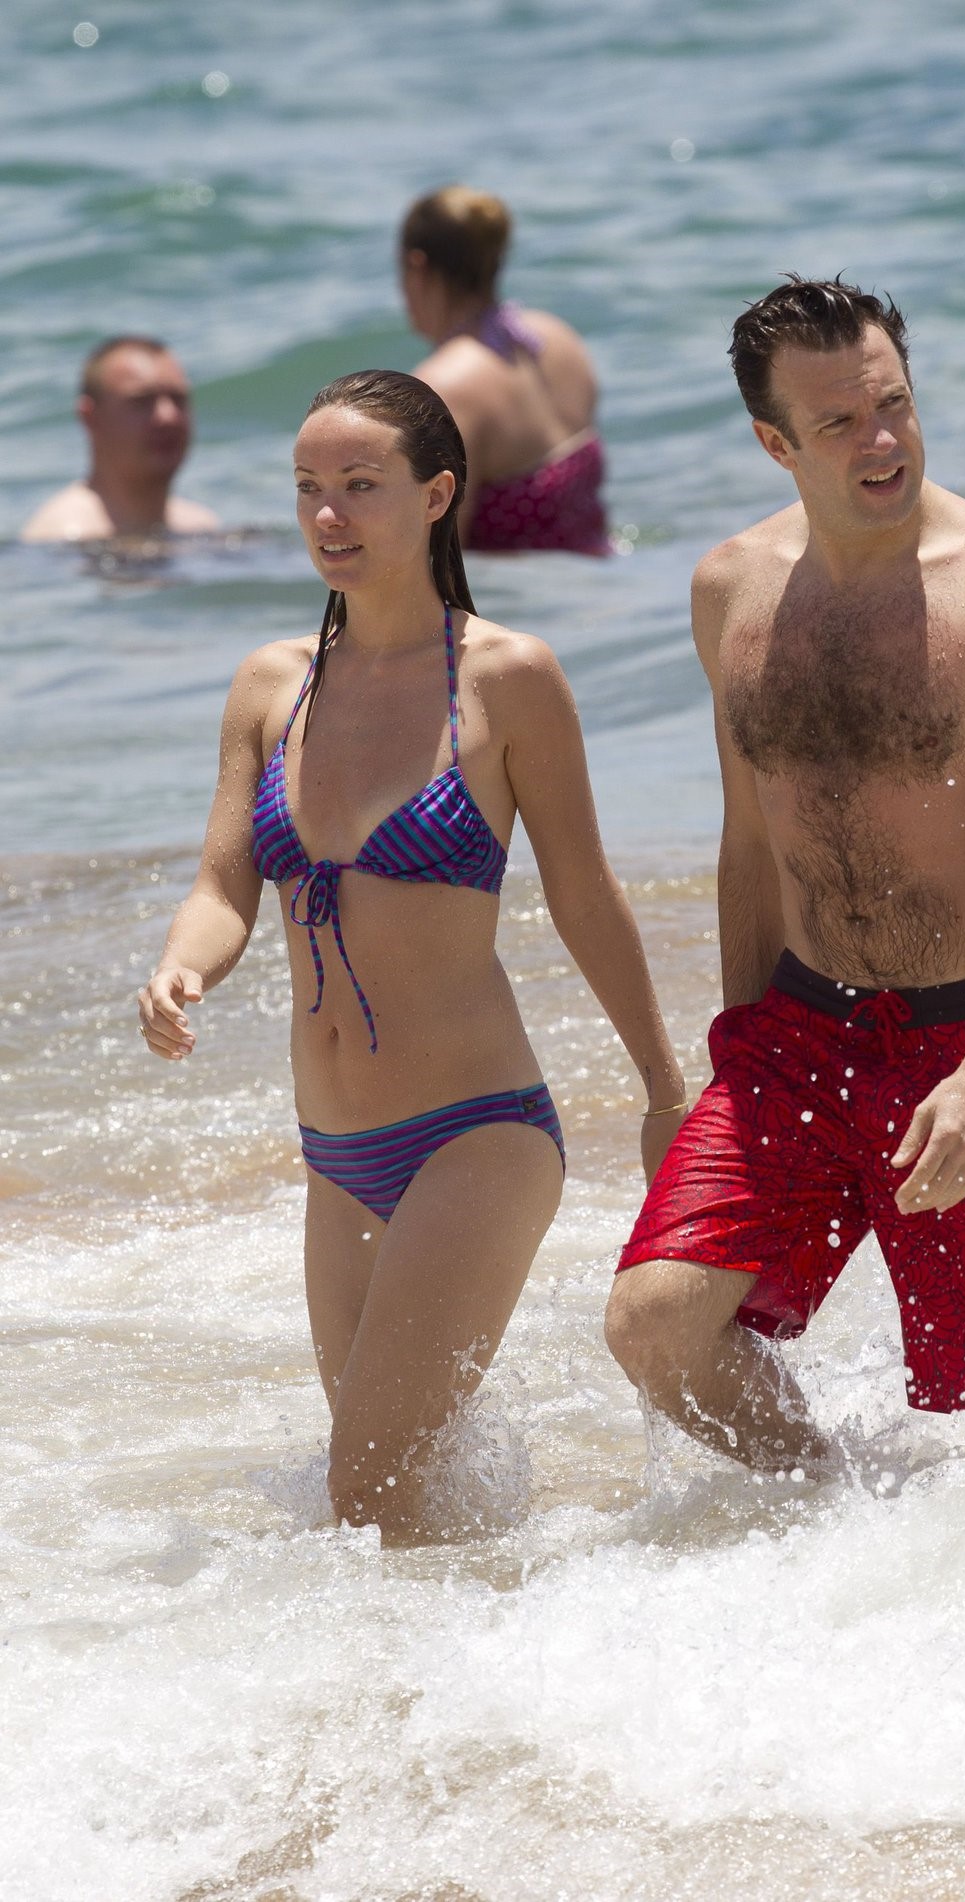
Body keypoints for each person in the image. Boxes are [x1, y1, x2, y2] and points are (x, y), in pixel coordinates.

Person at [139, 369, 684, 1543]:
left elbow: (586, 898)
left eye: (360, 486)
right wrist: (185, 966)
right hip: (337, 1155)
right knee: (400, 1515)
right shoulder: (270, 687)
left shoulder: (505, 679)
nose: (328, 515)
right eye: (307, 489)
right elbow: (223, 887)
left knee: (363, 1483)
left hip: (475, 1137)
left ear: (437, 495)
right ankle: (469, 1700)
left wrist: (660, 1089)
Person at [605, 276, 965, 1470]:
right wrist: (728, 1060)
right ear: (773, 442)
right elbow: (746, 843)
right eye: (837, 423)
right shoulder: (729, 590)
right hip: (797, 1033)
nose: (879, 441)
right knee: (657, 1326)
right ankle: (832, 1514)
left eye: (892, 404)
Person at [399, 185, 610, 556]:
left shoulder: (444, 387)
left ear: (417, 266)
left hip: (525, 608)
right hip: (601, 580)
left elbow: (437, 562)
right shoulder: (557, 338)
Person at [21, 336, 220, 543]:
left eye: (178, 398)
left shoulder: (200, 526)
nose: (168, 416)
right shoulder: (63, 537)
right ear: (91, 417)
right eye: (142, 401)